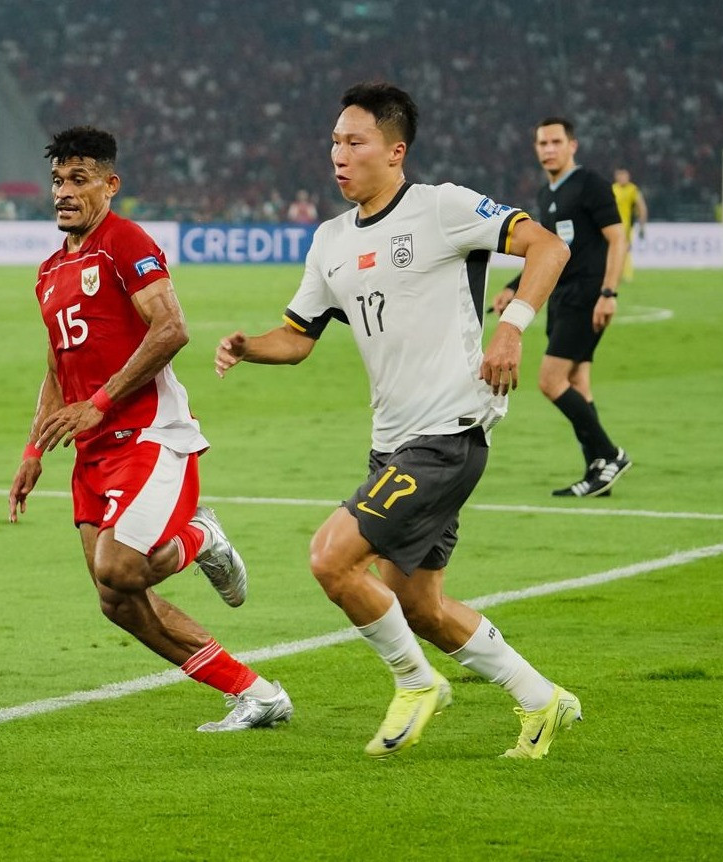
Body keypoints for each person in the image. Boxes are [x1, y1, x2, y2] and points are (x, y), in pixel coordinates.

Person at [216, 82, 581, 759]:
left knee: (330, 558)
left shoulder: (440, 207)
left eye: (353, 142)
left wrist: (513, 327)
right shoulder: (328, 241)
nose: (338, 154)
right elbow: (297, 337)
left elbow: (547, 249)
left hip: (447, 436)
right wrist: (248, 347)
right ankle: (542, 701)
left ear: (394, 150)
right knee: (419, 607)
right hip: (391, 445)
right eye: (333, 142)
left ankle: (414, 682)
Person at [8, 125, 292, 732]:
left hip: (149, 434)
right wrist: (34, 448)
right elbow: (58, 366)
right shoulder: (49, 271)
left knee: (121, 569)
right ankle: (255, 692)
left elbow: (171, 328)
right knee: (116, 600)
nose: (64, 191)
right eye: (58, 180)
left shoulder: (124, 241)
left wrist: (103, 402)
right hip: (92, 448)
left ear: (111, 185)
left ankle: (201, 536)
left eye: (79, 179)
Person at [491, 118, 631, 498]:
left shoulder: (591, 185)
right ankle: (597, 472)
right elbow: (545, 255)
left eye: (556, 142)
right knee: (578, 384)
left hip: (586, 298)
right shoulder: (545, 193)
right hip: (562, 299)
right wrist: (511, 287)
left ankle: (610, 455)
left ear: (573, 145)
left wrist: (608, 292)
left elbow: (617, 240)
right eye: (542, 143)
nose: (548, 149)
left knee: (550, 382)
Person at [611, 168, 648, 282]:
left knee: (624, 250)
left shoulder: (632, 190)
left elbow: (641, 208)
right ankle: (615, 274)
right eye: (619, 175)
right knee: (612, 250)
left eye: (624, 175)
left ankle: (626, 275)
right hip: (611, 224)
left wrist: (642, 225)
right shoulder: (613, 189)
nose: (622, 178)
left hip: (626, 226)